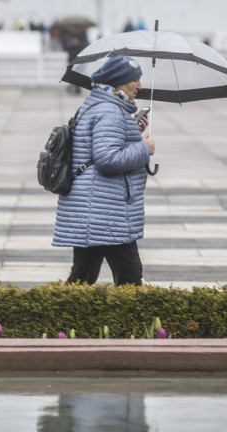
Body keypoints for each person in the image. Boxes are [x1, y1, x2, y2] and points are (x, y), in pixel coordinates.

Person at [52, 55, 156, 286]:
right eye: (134, 80)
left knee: (83, 276)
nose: (139, 86)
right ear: (119, 82)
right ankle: (134, 323)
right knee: (129, 277)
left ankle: (68, 320)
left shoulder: (100, 105)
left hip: (95, 206)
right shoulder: (110, 111)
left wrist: (132, 131)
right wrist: (143, 148)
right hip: (105, 209)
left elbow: (102, 149)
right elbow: (107, 159)